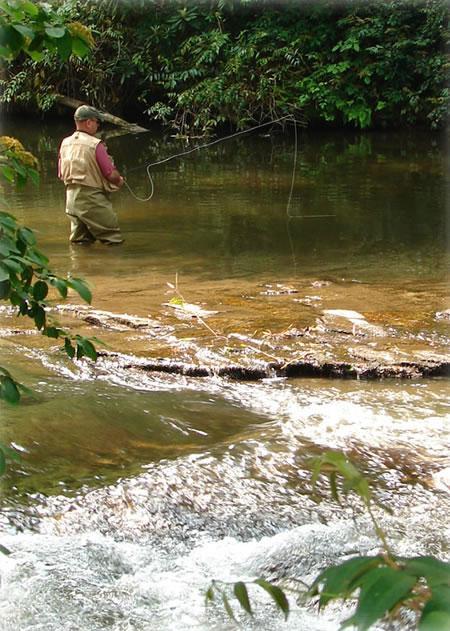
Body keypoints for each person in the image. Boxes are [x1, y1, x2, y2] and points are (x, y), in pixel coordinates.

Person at [58, 105, 125, 245]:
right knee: (113, 240)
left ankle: (80, 266)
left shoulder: (65, 143)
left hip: (71, 199)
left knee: (80, 242)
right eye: (97, 122)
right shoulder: (95, 144)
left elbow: (61, 174)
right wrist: (119, 180)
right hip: (92, 200)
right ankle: (117, 266)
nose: (98, 125)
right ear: (89, 122)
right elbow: (110, 173)